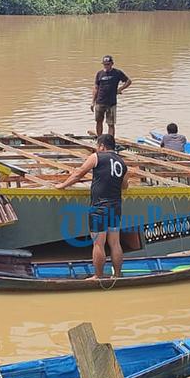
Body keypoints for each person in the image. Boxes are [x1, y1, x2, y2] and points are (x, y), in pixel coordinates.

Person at [55, 134, 130, 279]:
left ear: (102, 146)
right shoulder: (122, 163)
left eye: (97, 146)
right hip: (115, 206)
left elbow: (78, 174)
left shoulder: (97, 157)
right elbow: (125, 186)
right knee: (115, 243)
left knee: (98, 243)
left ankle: (98, 276)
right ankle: (118, 275)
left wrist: (62, 185)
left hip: (99, 207)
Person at [91, 55, 132, 136]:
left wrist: (120, 89)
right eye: (104, 64)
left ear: (112, 64)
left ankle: (110, 142)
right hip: (100, 102)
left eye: (108, 64)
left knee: (111, 124)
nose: (106, 66)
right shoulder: (99, 74)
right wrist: (93, 102)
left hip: (111, 103)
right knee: (99, 122)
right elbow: (96, 88)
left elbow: (128, 81)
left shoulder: (117, 73)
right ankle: (99, 139)